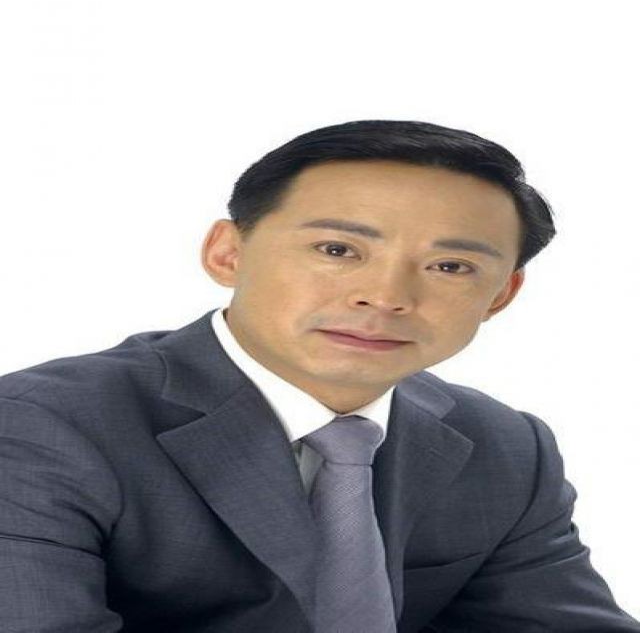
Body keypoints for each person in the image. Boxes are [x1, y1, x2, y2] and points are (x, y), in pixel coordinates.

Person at [1, 119, 637, 632]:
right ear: (227, 252)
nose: (385, 296)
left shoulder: (506, 446)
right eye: (338, 250)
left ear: (500, 295)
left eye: (450, 267)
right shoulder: (42, 427)